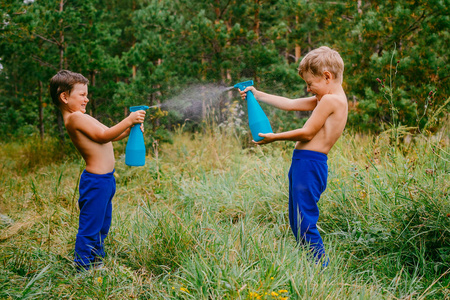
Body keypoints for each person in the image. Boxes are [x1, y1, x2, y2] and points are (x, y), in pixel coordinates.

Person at [239, 46, 347, 266]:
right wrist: (257, 94)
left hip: (309, 164)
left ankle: (320, 269)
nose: (308, 89)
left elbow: (307, 133)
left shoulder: (330, 101)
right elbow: (289, 104)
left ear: (327, 77)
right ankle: (311, 265)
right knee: (297, 220)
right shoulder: (328, 97)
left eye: (310, 83)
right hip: (304, 164)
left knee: (304, 221)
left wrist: (274, 137)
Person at [49, 70, 146, 271]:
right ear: (64, 97)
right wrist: (129, 119)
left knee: (102, 223)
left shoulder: (82, 117)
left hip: (106, 180)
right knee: (91, 225)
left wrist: (129, 129)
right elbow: (103, 136)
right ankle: (83, 266)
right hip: (96, 182)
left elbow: (110, 134)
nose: (87, 99)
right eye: (82, 95)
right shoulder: (75, 118)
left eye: (87, 94)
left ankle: (96, 259)